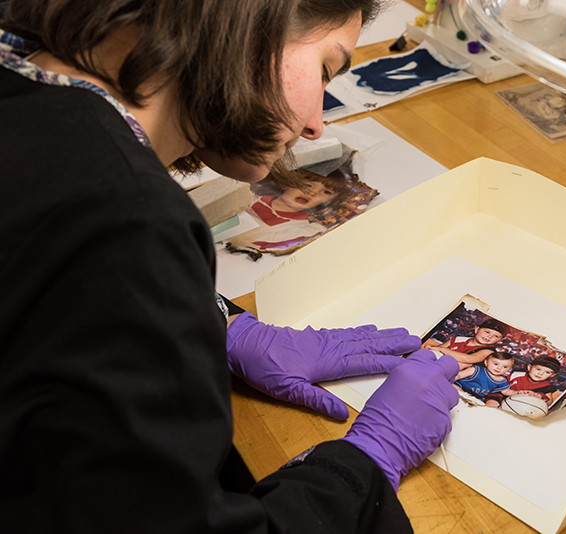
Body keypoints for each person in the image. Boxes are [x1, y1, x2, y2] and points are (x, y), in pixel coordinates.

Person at [0, 1, 460, 532]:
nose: (315, 125)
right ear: (250, 18)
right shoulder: (124, 222)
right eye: (326, 69)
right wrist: (364, 469)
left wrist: (217, 321)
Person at [227, 168, 345, 255]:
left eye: (326, 192)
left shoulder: (304, 230)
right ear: (287, 183)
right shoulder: (247, 197)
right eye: (308, 185)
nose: (312, 193)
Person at [424, 318, 507, 369]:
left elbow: (468, 359)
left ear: (500, 340)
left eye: (496, 336)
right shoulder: (458, 340)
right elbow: (436, 351)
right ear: (477, 329)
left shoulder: (488, 351)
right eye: (487, 332)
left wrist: (442, 350)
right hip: (434, 367)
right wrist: (435, 348)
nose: (489, 336)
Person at [485, 355, 561, 408]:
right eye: (538, 369)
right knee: (492, 403)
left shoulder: (546, 386)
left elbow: (549, 402)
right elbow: (500, 384)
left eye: (547, 372)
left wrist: (540, 396)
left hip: (522, 404)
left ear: (552, 375)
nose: (540, 373)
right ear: (529, 367)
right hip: (503, 396)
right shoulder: (516, 375)